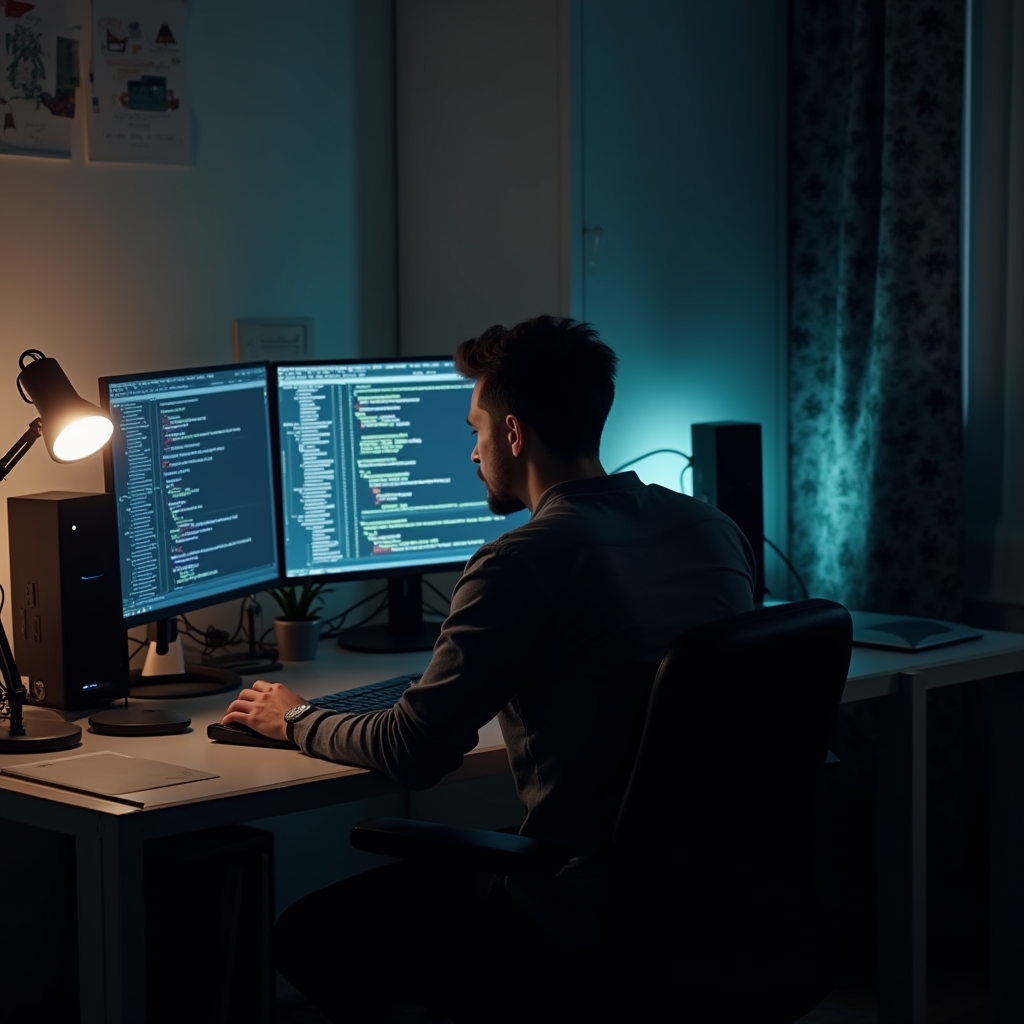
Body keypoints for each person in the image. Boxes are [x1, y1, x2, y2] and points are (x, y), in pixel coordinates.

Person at [221, 316, 755, 1022]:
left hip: (579, 917)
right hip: (720, 900)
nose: (471, 453)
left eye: (475, 430)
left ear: (511, 433)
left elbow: (414, 751)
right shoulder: (710, 527)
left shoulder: (521, 561)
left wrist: (293, 717)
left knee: (309, 935)